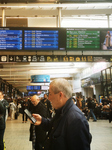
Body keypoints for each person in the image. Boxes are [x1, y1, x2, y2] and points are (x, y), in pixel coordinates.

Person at [32, 78, 92, 150]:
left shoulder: (75, 119)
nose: (49, 98)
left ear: (60, 95)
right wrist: (42, 121)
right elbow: (54, 125)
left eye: (50, 94)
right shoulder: (61, 112)